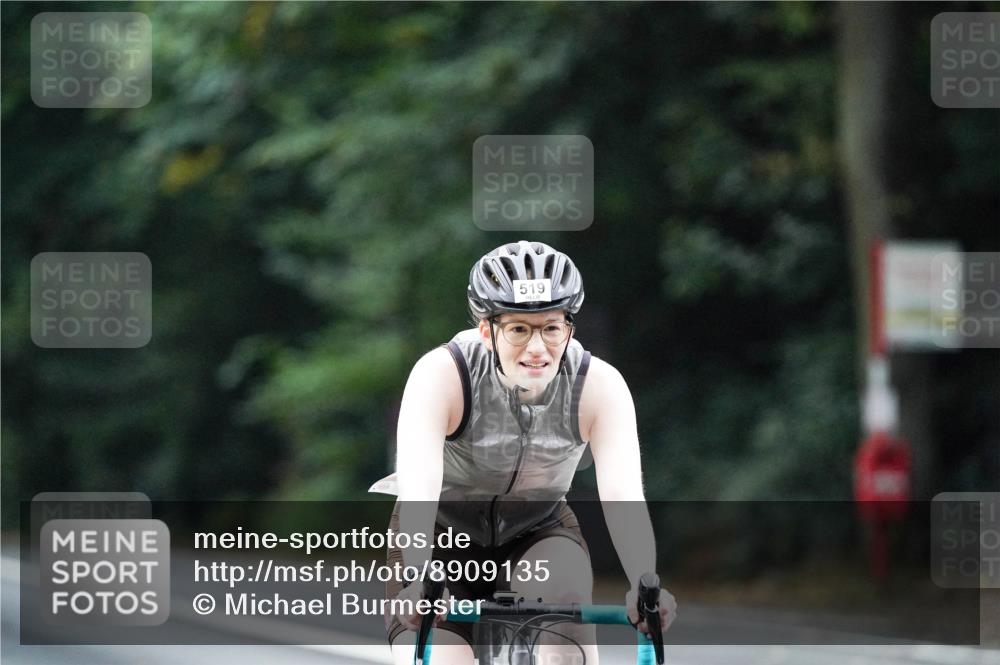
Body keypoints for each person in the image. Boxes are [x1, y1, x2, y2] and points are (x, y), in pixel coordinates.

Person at [371, 240, 676, 665]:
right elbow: (419, 486)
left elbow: (623, 494)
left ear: (569, 327)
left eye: (550, 328)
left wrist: (645, 585)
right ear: (486, 329)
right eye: (518, 329)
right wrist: (415, 577)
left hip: (538, 530)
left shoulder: (600, 387)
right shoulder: (442, 375)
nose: (537, 348)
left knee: (567, 608)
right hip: (441, 537)